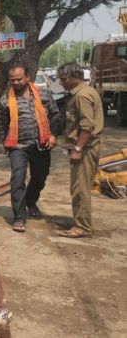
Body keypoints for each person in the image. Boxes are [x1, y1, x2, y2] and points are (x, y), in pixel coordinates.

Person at [0, 62, 62, 233]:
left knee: (40, 178)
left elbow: (56, 115)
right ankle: (19, 217)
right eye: (13, 80)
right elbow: (4, 125)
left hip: (41, 145)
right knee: (17, 180)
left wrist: (54, 135)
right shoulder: (5, 100)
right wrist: (5, 145)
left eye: (19, 79)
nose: (16, 83)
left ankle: (31, 200)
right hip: (17, 147)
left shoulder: (43, 93)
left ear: (27, 77)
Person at [57, 62, 103, 238]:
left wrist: (77, 148)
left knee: (80, 188)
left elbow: (87, 126)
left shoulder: (82, 96)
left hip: (85, 149)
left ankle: (82, 226)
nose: (61, 83)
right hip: (87, 147)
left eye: (63, 79)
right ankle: (80, 221)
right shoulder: (86, 91)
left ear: (73, 77)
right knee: (78, 186)